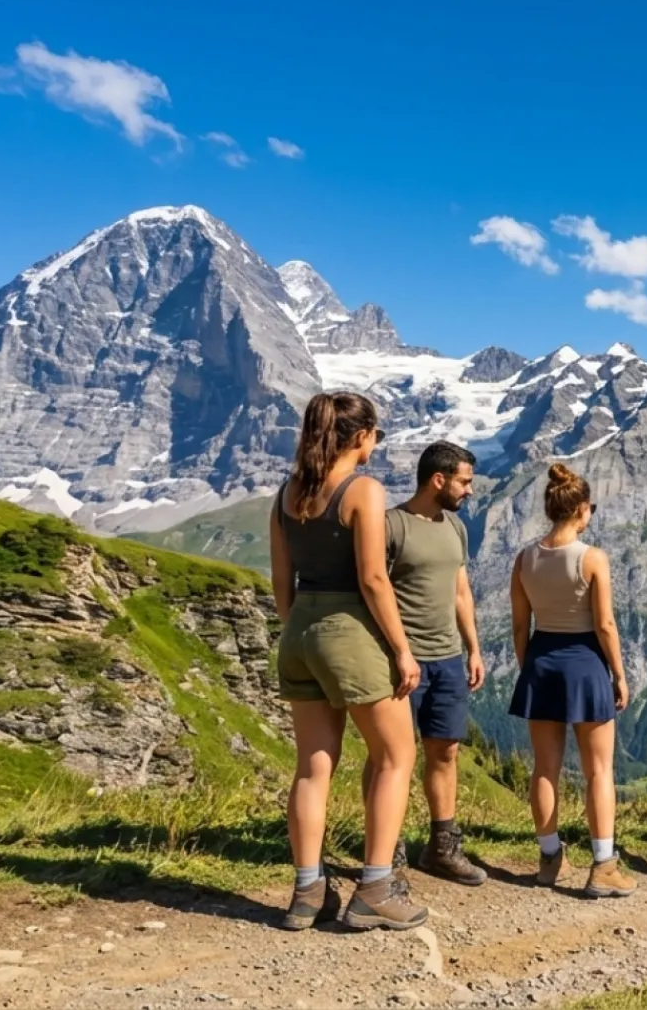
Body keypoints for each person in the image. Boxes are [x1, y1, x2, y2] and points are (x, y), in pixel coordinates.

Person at [269, 391, 428, 931]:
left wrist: (299, 627)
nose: (376, 444)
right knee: (395, 756)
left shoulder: (287, 493)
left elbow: (281, 579)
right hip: (350, 633)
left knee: (313, 766)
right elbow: (374, 578)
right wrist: (402, 649)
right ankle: (376, 889)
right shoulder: (362, 490)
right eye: (375, 435)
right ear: (360, 436)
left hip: (299, 632)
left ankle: (307, 892)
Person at [508, 462, 635, 898]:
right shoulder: (591, 558)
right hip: (585, 662)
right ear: (581, 509)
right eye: (590, 508)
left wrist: (529, 667)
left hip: (541, 660)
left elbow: (520, 625)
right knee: (598, 769)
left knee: (545, 767)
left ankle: (549, 857)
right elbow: (605, 624)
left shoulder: (524, 559)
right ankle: (603, 865)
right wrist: (619, 674)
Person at [384, 441, 487, 887]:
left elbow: (461, 591)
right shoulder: (391, 525)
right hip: (401, 661)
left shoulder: (455, 527)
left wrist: (474, 648)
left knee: (445, 751)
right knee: (391, 757)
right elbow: (373, 589)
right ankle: (386, 853)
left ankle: (441, 848)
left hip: (447, 659)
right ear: (438, 479)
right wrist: (399, 651)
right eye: (464, 482)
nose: (470, 491)